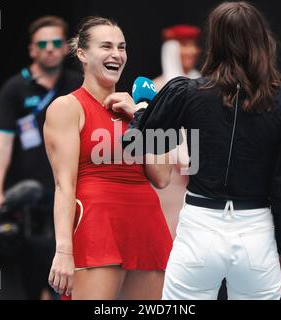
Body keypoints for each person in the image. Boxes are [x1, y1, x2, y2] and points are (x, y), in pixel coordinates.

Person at [128, 1, 281, 300]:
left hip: (200, 227)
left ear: (214, 42)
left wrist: (141, 110)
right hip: (256, 233)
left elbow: (139, 142)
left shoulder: (186, 92)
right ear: (263, 41)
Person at [45, 16, 173, 300]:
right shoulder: (67, 107)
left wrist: (142, 116)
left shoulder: (138, 107)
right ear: (82, 54)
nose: (117, 54)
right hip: (97, 224)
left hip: (146, 224)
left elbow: (162, 177)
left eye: (122, 47)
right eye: (106, 46)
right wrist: (64, 250)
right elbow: (64, 185)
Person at [0, 16, 82, 299]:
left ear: (66, 48)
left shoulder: (78, 84)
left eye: (56, 43)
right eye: (43, 44)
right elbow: (2, 141)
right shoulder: (14, 88)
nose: (50, 49)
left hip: (73, 192)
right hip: (30, 197)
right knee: (35, 274)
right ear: (32, 50)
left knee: (72, 275)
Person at [152, 25, 201, 239]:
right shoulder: (156, 88)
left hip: (203, 178)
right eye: (183, 46)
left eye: (193, 45)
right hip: (169, 179)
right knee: (169, 237)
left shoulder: (206, 84)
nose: (191, 51)